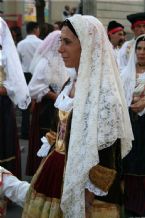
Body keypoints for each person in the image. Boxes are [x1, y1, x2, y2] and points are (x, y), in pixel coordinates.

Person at [0, 15, 133, 218]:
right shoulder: (69, 85)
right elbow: (60, 129)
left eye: (67, 42)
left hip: (85, 187)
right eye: (60, 41)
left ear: (88, 46)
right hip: (55, 170)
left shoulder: (104, 95)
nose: (60, 48)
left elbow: (107, 154)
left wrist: (87, 199)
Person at [26, 30, 68, 176]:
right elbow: (33, 88)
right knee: (46, 140)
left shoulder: (66, 61)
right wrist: (53, 95)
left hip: (62, 107)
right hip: (47, 108)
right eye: (61, 42)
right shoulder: (45, 63)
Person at [0, 17, 31, 178]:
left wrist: (3, 89)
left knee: (3, 145)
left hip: (1, 107)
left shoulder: (5, 55)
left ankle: (3, 192)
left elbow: (14, 83)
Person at [121, 34, 145, 217]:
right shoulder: (125, 73)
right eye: (139, 48)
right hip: (128, 123)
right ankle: (129, 203)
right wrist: (134, 99)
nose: (142, 52)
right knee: (129, 162)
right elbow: (119, 97)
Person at [17, 21, 42, 139]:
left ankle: (25, 131)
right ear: (36, 29)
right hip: (37, 75)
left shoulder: (21, 44)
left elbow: (18, 62)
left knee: (25, 105)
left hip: (24, 75)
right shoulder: (41, 43)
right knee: (38, 104)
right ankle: (36, 132)